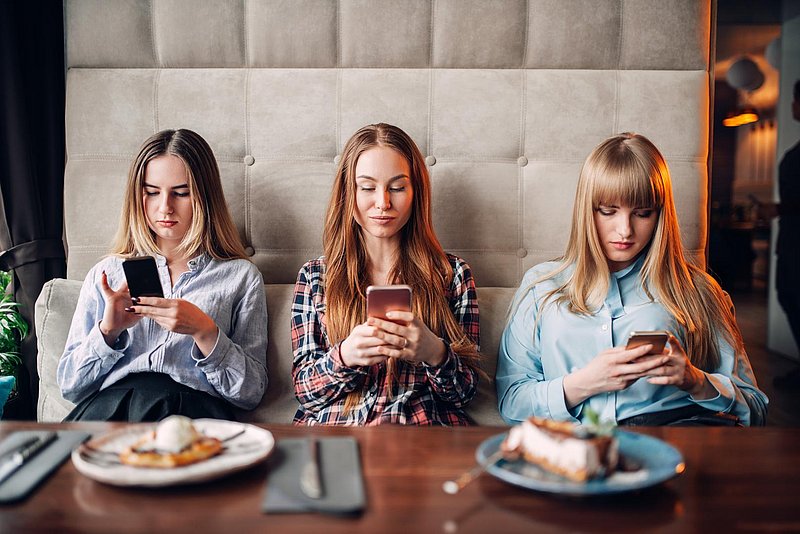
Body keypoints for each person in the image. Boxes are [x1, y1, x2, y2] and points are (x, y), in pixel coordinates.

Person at [497, 133, 768, 426]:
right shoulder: (542, 287)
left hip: (679, 437)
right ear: (587, 210)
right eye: (608, 211)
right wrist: (585, 382)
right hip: (582, 444)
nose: (625, 230)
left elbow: (755, 409)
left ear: (660, 215)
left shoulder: (698, 291)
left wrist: (695, 381)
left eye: (642, 213)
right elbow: (512, 402)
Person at [58, 129, 268, 421]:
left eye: (181, 193)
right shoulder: (106, 273)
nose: (165, 207)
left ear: (204, 197)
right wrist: (109, 331)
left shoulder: (239, 277)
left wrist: (205, 332)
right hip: (111, 411)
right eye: (152, 192)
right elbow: (70, 387)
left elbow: (250, 394)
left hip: (189, 412)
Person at [291, 123, 481, 425]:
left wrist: (435, 352)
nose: (383, 203)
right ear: (348, 192)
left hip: (422, 435)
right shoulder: (316, 277)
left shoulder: (452, 274)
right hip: (341, 434)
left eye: (397, 187)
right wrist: (345, 357)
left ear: (415, 192)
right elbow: (304, 391)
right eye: (367, 187)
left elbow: (465, 394)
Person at [767, 80, 800, 388]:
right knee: (789, 297)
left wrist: (781, 209)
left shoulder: (795, 157)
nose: (792, 106)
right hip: (790, 240)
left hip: (795, 243)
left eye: (794, 99)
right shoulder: (794, 154)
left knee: (793, 297)